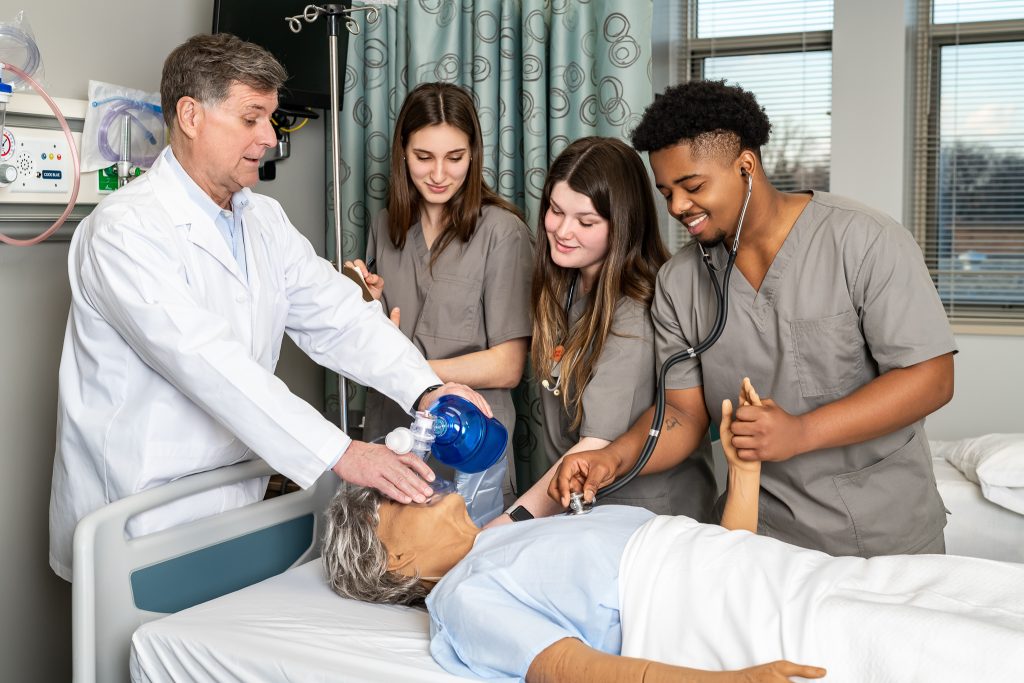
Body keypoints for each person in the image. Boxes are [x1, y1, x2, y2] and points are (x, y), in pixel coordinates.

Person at [47, 34, 490, 582]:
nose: (269, 137)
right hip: (141, 510)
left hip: (233, 502)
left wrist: (423, 388)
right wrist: (342, 453)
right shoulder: (123, 233)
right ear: (190, 115)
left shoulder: (263, 220)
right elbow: (208, 364)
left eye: (271, 118)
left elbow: (339, 316)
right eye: (252, 118)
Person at [322, 378, 1024, 683]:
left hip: (794, 575)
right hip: (743, 628)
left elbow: (720, 554)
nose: (427, 481)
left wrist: (743, 469)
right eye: (401, 495)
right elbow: (571, 669)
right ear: (395, 558)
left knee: (981, 595)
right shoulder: (460, 598)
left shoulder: (503, 538)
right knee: (964, 654)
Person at [550, 80, 957, 558]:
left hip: (879, 534)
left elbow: (932, 378)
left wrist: (801, 432)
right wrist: (611, 458)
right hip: (758, 539)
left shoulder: (863, 241)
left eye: (693, 186)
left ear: (747, 165)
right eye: (666, 192)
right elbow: (684, 414)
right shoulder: (680, 283)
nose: (678, 207)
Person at [492, 137, 713, 527]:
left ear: (622, 225)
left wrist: (500, 530)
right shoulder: (567, 289)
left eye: (586, 221)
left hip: (646, 516)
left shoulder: (638, 310)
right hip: (585, 506)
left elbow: (598, 443)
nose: (562, 230)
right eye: (555, 211)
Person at [348, 82, 533, 526]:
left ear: (474, 155)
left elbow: (508, 365)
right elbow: (367, 345)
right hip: (391, 443)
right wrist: (364, 311)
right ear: (402, 154)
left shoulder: (502, 233)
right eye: (423, 157)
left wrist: (405, 368)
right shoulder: (385, 228)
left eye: (455, 158)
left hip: (469, 451)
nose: (439, 174)